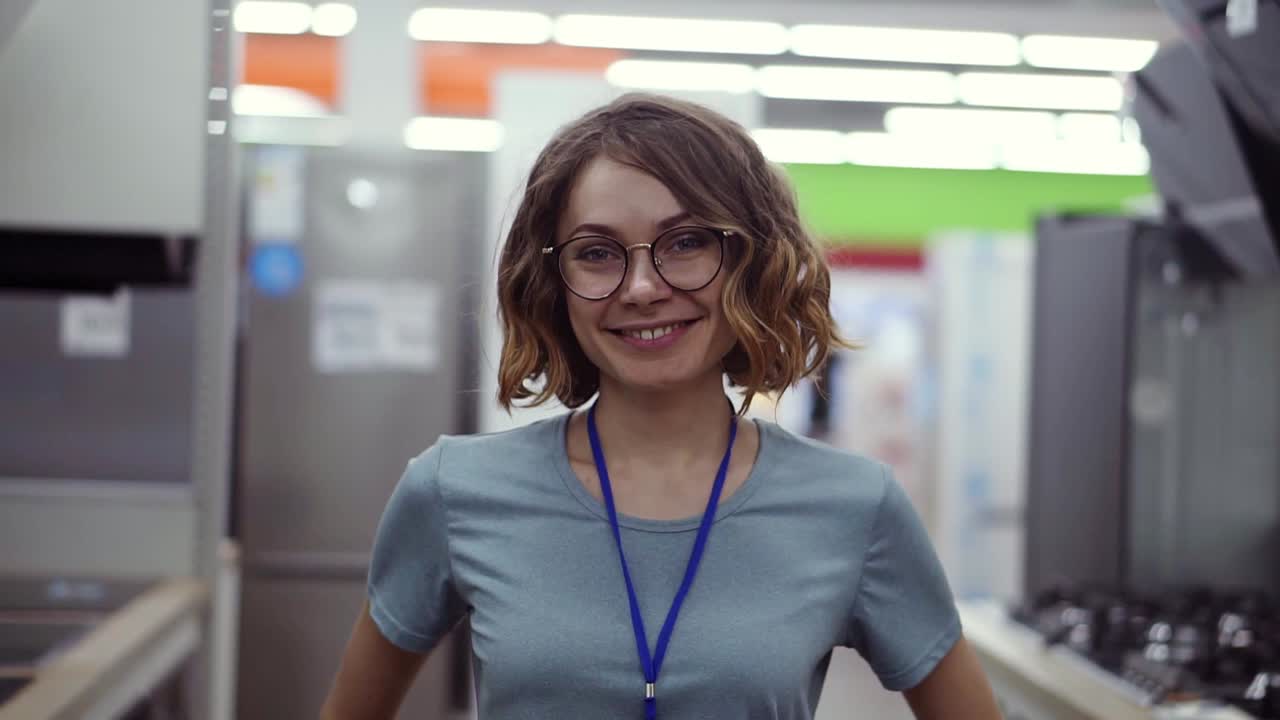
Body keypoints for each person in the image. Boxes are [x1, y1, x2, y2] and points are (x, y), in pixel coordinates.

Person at [322, 93, 1001, 719]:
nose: (642, 287)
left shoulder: (854, 507)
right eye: (596, 253)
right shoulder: (453, 491)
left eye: (686, 243)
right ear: (555, 281)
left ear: (752, 261)